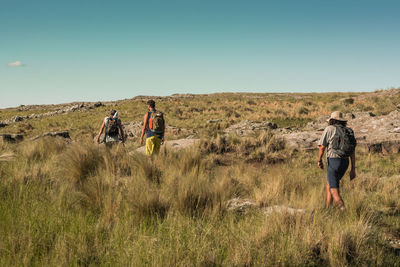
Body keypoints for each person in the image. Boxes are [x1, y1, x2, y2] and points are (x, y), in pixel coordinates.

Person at [317, 111, 357, 211]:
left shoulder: (329, 129)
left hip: (333, 161)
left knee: (334, 190)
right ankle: (328, 209)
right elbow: (352, 152)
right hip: (345, 162)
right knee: (329, 184)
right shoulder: (348, 131)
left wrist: (319, 160)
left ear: (332, 120)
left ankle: (344, 211)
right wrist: (353, 169)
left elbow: (322, 147)